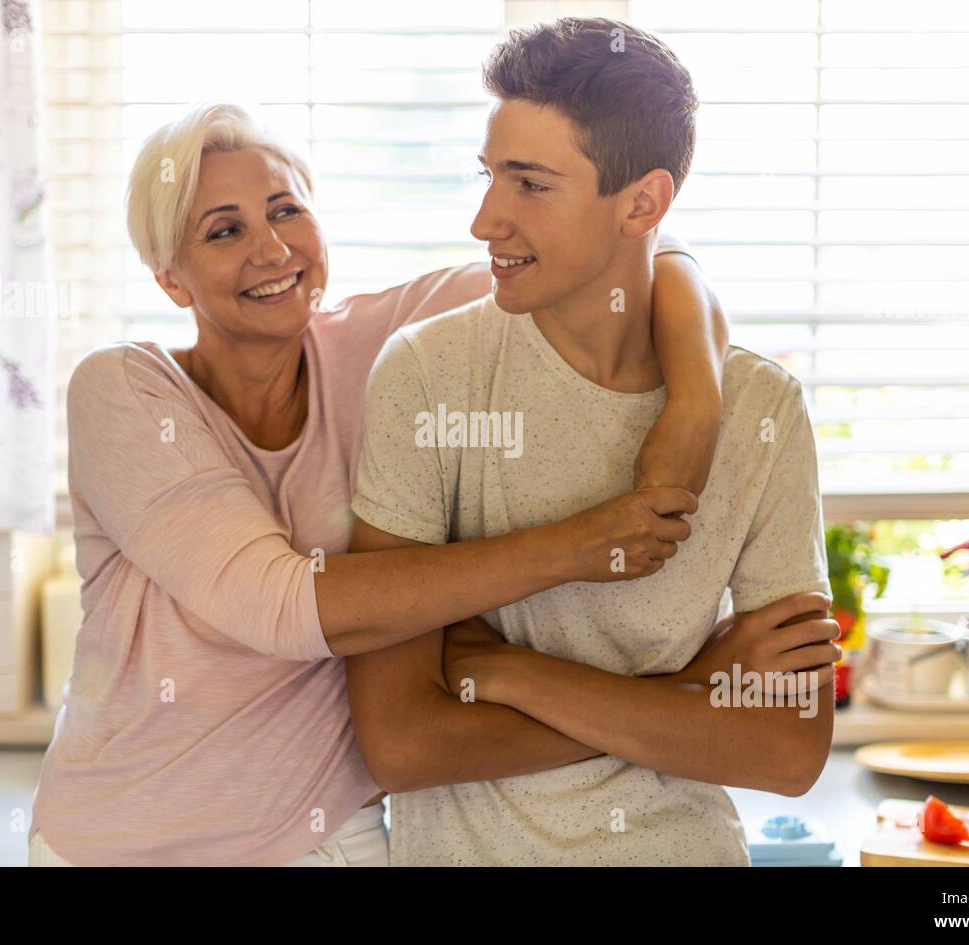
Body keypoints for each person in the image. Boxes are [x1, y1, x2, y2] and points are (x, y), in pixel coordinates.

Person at [27, 99, 730, 866]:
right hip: (127, 842)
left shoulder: (383, 347)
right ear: (170, 280)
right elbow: (281, 607)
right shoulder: (125, 391)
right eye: (224, 230)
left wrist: (695, 401)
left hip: (330, 836)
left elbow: (624, 251)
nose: (271, 249)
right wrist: (581, 552)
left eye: (285, 211)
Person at [345, 18, 838, 866]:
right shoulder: (428, 374)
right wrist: (686, 697)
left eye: (530, 185)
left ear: (642, 203)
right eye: (490, 175)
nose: (484, 221)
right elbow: (402, 743)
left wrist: (512, 673)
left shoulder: (760, 408)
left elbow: (786, 751)